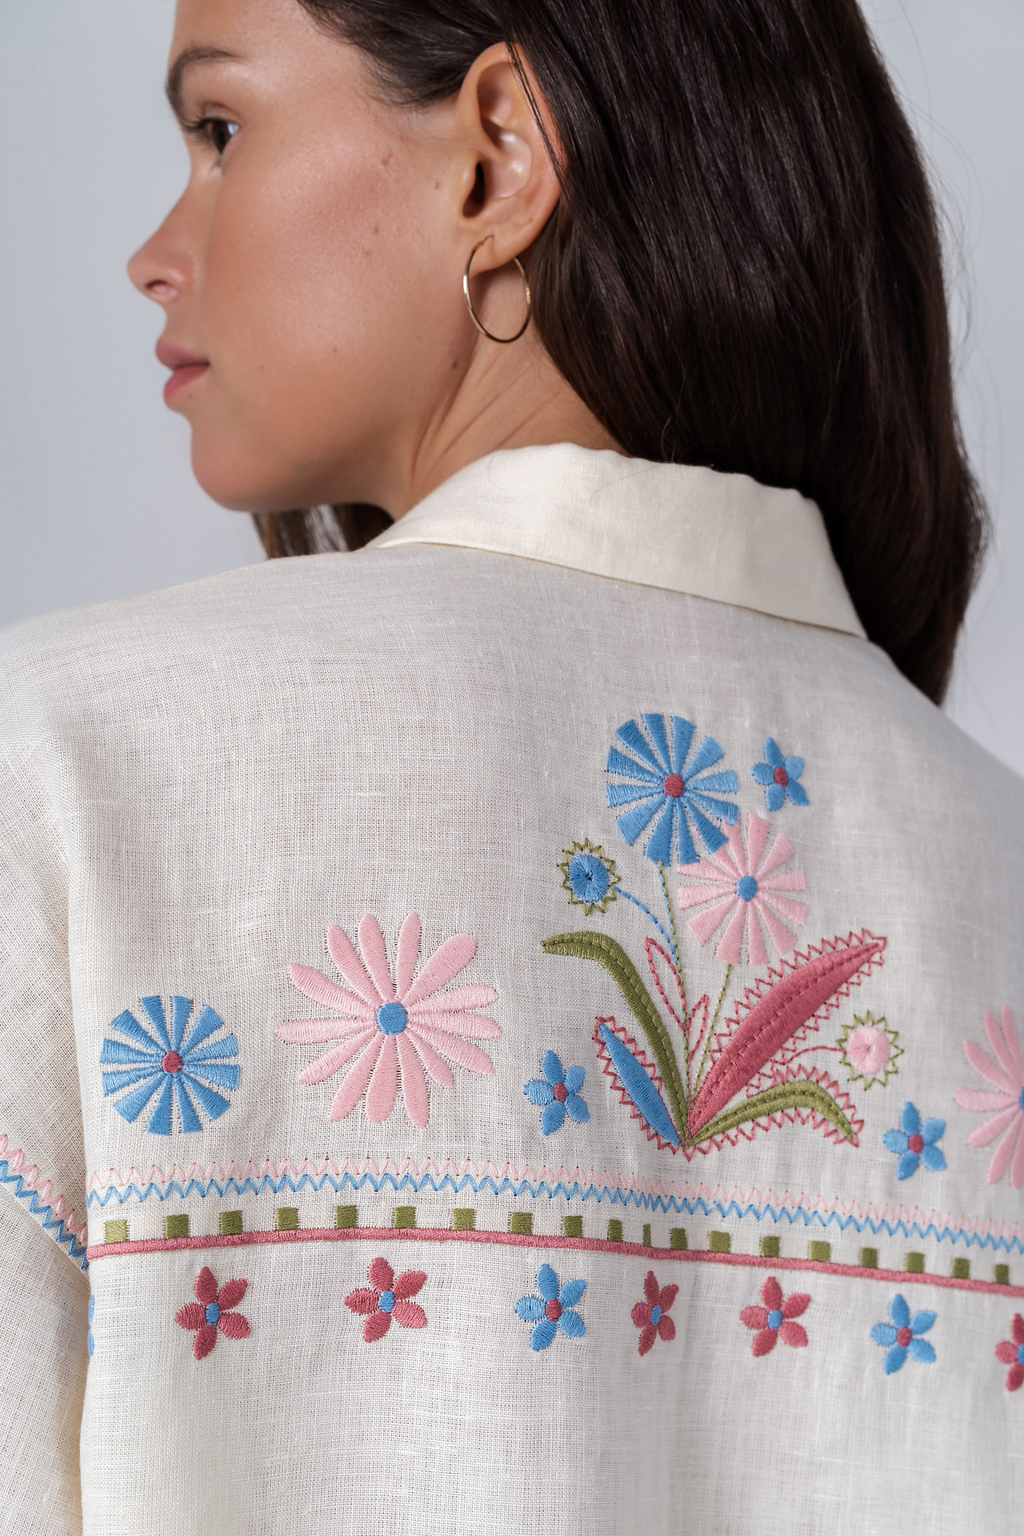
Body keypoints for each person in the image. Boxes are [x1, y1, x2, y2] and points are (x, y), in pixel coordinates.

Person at [0, 0, 1019, 1531]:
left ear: (496, 159)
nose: (157, 247)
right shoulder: (994, 861)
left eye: (221, 131)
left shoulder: (66, 770)